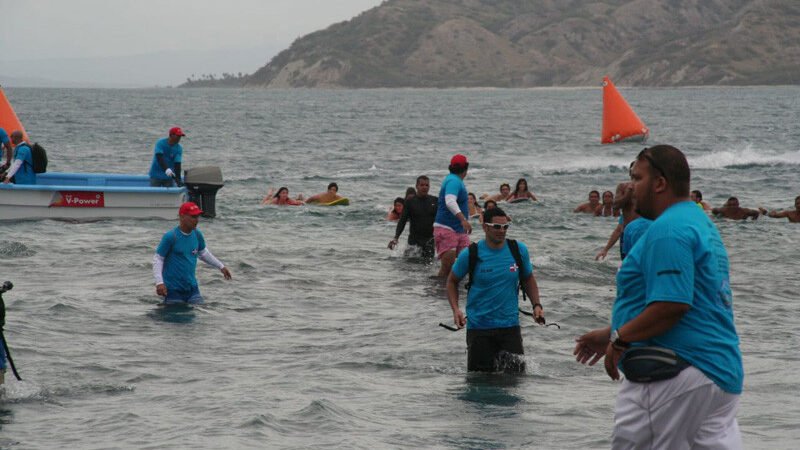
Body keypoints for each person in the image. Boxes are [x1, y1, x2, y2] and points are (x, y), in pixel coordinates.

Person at [575, 145, 743, 449]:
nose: (630, 187)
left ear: (660, 183)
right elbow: (696, 301)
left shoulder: (669, 229)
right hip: (718, 373)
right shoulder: (698, 222)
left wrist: (621, 339)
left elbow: (672, 304)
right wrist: (611, 332)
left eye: (637, 178)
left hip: (674, 373)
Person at [446, 207, 545, 372]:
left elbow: (528, 278)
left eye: (505, 227)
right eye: (497, 226)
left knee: (515, 383)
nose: (502, 231)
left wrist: (537, 305)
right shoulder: (471, 253)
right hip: (479, 328)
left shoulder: (518, 250)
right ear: (485, 227)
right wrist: (456, 310)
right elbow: (451, 281)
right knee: (479, 386)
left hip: (510, 327)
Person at [153, 201, 232, 304]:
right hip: (173, 290)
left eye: (197, 216)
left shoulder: (197, 234)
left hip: (192, 288)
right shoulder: (171, 237)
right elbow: (158, 259)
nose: (196, 220)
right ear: (182, 217)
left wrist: (221, 266)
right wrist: (159, 283)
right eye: (193, 217)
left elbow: (203, 253)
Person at [433, 154, 472, 277]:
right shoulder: (453, 180)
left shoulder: (454, 180)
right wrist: (463, 220)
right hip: (446, 228)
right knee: (447, 267)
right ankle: (439, 293)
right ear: (466, 169)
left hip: (459, 230)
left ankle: (458, 291)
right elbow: (450, 201)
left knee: (467, 263)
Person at [595, 181, 651, 261]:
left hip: (644, 235)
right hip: (627, 236)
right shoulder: (624, 188)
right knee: (627, 262)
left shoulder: (648, 187)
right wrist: (606, 249)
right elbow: (618, 229)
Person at [389, 175, 438, 258]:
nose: (424, 187)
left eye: (427, 185)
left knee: (428, 268)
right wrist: (396, 238)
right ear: (417, 186)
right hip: (413, 242)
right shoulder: (410, 202)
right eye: (422, 185)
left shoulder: (435, 201)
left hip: (429, 241)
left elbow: (441, 221)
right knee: (409, 267)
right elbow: (402, 221)